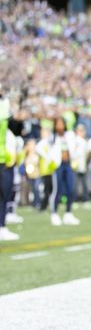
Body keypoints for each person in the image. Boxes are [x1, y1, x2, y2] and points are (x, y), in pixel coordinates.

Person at [40, 117, 80, 226]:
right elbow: (39, 147)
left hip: (68, 165)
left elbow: (79, 144)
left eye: (62, 123)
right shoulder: (52, 137)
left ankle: (68, 213)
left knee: (71, 189)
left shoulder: (70, 135)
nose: (60, 126)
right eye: (58, 124)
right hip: (58, 166)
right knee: (56, 190)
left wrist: (76, 155)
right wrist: (49, 158)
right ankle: (54, 213)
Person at [0, 94, 20, 241]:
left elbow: (16, 129)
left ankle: (2, 226)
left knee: (4, 194)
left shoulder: (5, 106)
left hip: (4, 159)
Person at [71, 124, 91, 203]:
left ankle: (85, 198)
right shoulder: (75, 141)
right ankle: (75, 199)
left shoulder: (84, 141)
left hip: (83, 164)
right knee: (75, 183)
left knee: (84, 182)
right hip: (76, 164)